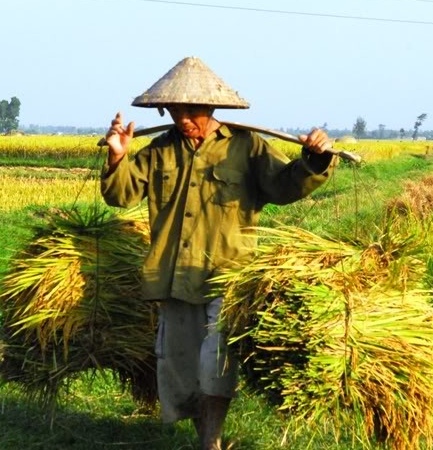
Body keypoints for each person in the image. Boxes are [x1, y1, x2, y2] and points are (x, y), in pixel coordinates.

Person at [100, 57, 335, 450]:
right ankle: (206, 439)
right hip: (173, 276)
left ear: (212, 108)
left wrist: (315, 159)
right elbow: (120, 194)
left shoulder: (247, 147)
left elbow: (283, 187)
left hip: (227, 275)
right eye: (175, 110)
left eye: (192, 110)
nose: (183, 118)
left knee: (214, 366)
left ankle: (211, 443)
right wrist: (117, 156)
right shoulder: (159, 151)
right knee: (183, 369)